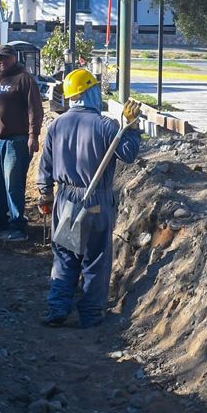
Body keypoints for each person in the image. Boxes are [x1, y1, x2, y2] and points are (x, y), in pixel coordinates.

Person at [37, 68, 142, 328]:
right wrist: (132, 128)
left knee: (65, 254)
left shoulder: (56, 125)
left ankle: (58, 307)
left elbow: (45, 165)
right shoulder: (105, 126)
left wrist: (45, 194)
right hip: (95, 199)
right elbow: (128, 155)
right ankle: (91, 314)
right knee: (95, 257)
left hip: (65, 198)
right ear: (89, 92)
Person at [0, 44, 44, 241]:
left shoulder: (24, 79)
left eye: (5, 58)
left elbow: (35, 109)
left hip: (15, 142)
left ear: (14, 58)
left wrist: (33, 136)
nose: (1, 62)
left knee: (13, 186)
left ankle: (17, 226)